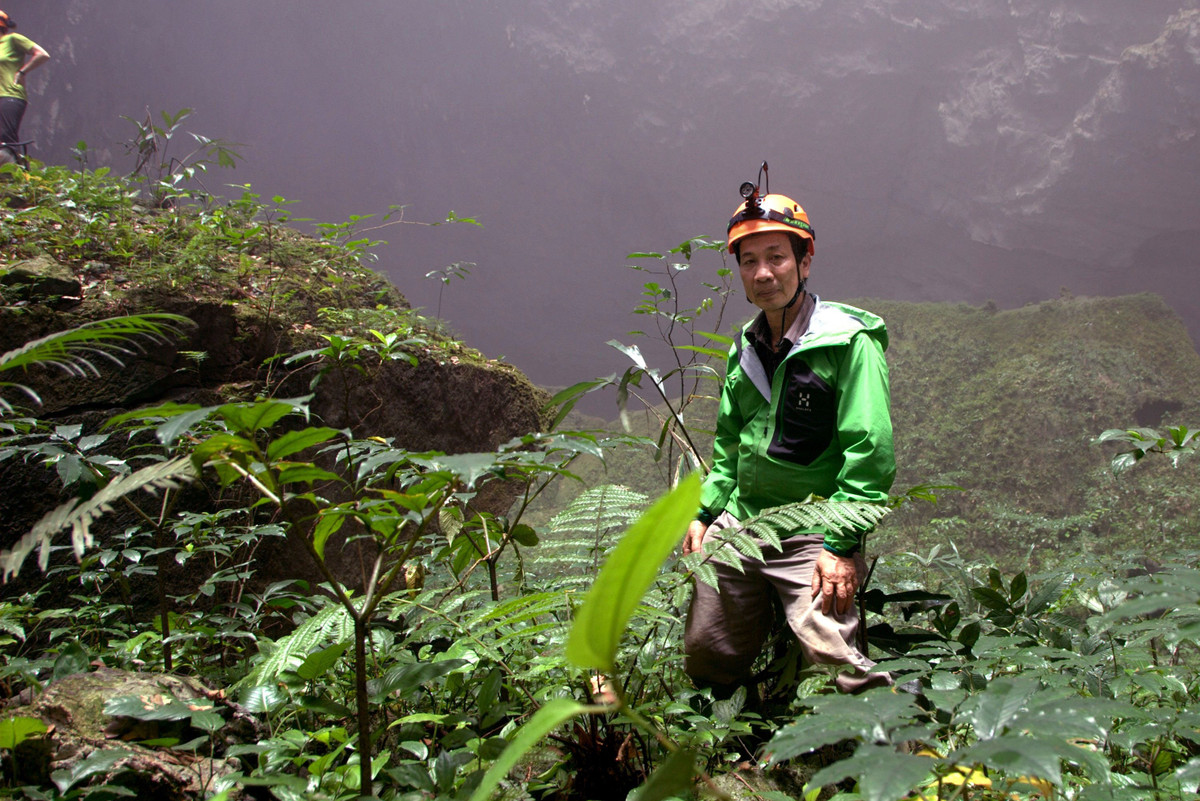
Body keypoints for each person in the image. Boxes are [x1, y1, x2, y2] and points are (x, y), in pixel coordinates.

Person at [682, 178, 896, 697]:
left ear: (805, 260)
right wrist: (708, 513)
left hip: (814, 529)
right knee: (707, 648)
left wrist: (841, 546)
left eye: (776, 256)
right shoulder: (747, 348)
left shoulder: (847, 342)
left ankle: (892, 751)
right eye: (749, 260)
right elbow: (730, 444)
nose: (762, 273)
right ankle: (727, 735)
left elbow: (870, 447)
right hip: (745, 519)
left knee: (835, 656)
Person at [0, 10, 49, 161]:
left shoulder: (12, 40)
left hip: (10, 95)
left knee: (4, 139)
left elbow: (42, 54)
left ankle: (10, 174)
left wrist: (22, 72)